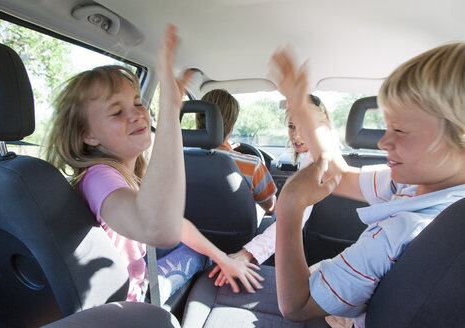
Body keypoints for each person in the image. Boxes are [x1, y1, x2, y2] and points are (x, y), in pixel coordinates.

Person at [44, 25, 262, 304]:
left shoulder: (117, 174)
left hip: (126, 284)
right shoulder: (100, 178)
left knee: (199, 251)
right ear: (89, 135)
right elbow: (161, 227)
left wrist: (222, 257)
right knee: (196, 257)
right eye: (116, 111)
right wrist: (171, 110)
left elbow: (176, 224)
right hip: (132, 303)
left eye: (137, 102)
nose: (136, 114)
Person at [270, 43, 465, 328]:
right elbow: (339, 174)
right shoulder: (422, 189)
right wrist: (299, 108)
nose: (383, 142)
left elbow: (296, 307)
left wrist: (289, 205)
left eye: (399, 130)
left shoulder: (399, 231)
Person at [208, 94, 333, 287]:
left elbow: (294, 218)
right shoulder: (319, 159)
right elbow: (272, 208)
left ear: (322, 126)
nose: (296, 136)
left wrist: (247, 254)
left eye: (305, 127)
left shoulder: (317, 167)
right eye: (291, 127)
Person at [198, 89, 277, 214]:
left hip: (188, 231)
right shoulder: (253, 165)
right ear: (232, 125)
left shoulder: (180, 160)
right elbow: (270, 209)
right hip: (237, 233)